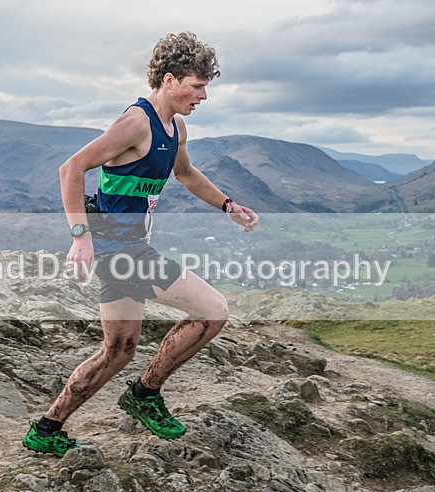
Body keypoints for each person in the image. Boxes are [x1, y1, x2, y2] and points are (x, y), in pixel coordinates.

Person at [22, 31, 259, 457]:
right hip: (121, 252)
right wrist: (80, 238)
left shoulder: (175, 127)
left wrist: (228, 205)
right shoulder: (136, 122)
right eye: (197, 85)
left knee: (118, 351)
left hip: (126, 250)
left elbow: (184, 175)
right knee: (213, 311)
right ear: (169, 79)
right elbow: (71, 168)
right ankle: (146, 394)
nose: (203, 95)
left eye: (206, 86)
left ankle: (47, 426)